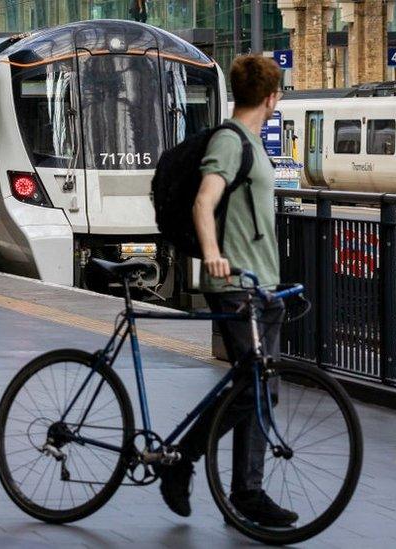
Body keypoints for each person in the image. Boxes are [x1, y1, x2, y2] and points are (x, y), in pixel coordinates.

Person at [157, 54, 297, 527]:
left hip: (261, 286)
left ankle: (244, 491)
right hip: (234, 284)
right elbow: (204, 200)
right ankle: (184, 462)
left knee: (261, 389)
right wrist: (213, 253)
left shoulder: (251, 143)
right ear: (272, 97)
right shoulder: (231, 141)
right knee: (255, 386)